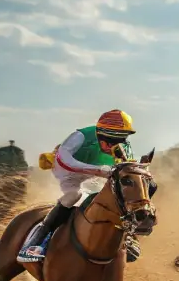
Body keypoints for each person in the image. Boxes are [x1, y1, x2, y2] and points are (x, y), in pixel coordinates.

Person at [21, 111, 136, 262]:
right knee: (74, 196)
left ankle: (128, 238)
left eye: (120, 141)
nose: (113, 147)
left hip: (94, 176)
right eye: (110, 142)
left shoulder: (124, 147)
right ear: (100, 135)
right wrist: (99, 170)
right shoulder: (80, 136)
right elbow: (64, 161)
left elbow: (129, 171)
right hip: (67, 173)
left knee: (115, 197)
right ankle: (36, 241)